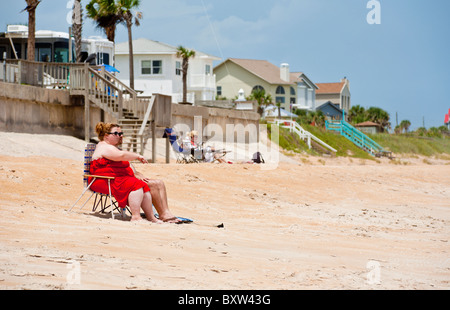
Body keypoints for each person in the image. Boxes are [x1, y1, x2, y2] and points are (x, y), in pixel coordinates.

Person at [90, 122, 181, 223]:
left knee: (159, 182)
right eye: (117, 134)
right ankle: (162, 215)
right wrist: (137, 156)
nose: (121, 136)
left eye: (121, 133)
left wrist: (136, 173)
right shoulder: (105, 147)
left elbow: (125, 163)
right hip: (106, 181)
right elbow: (121, 156)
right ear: (106, 136)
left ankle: (165, 213)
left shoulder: (112, 148)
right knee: (148, 184)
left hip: (119, 179)